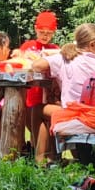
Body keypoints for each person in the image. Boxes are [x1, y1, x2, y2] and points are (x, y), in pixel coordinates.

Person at [18, 11, 62, 164]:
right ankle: (33, 154)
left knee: (47, 126)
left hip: (48, 94)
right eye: (42, 32)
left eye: (49, 33)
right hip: (32, 93)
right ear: (36, 29)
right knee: (31, 125)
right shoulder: (29, 46)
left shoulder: (55, 48)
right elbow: (20, 60)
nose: (45, 36)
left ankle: (48, 157)